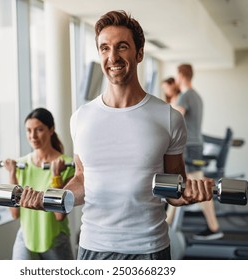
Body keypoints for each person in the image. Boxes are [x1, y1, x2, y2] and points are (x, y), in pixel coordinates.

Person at [18, 10, 215, 260]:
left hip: (148, 247)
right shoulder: (81, 118)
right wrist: (53, 197)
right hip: (92, 247)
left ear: (139, 53)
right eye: (104, 48)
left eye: (122, 47)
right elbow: (82, 178)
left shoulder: (168, 117)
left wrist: (190, 193)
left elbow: (174, 189)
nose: (113, 57)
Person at [3, 107, 75, 260]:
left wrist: (56, 175)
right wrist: (11, 174)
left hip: (55, 239)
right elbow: (14, 214)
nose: (33, 136)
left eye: (39, 130)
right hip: (26, 237)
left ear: (51, 130)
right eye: (29, 131)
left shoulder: (67, 165)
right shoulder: (20, 165)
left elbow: (59, 215)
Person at [169, 63, 224, 240]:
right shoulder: (196, 96)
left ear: (182, 76)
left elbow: (176, 117)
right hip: (195, 145)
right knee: (185, 183)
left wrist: (167, 107)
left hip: (189, 146)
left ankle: (214, 227)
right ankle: (168, 222)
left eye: (177, 76)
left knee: (198, 186)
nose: (176, 79)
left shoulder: (185, 96)